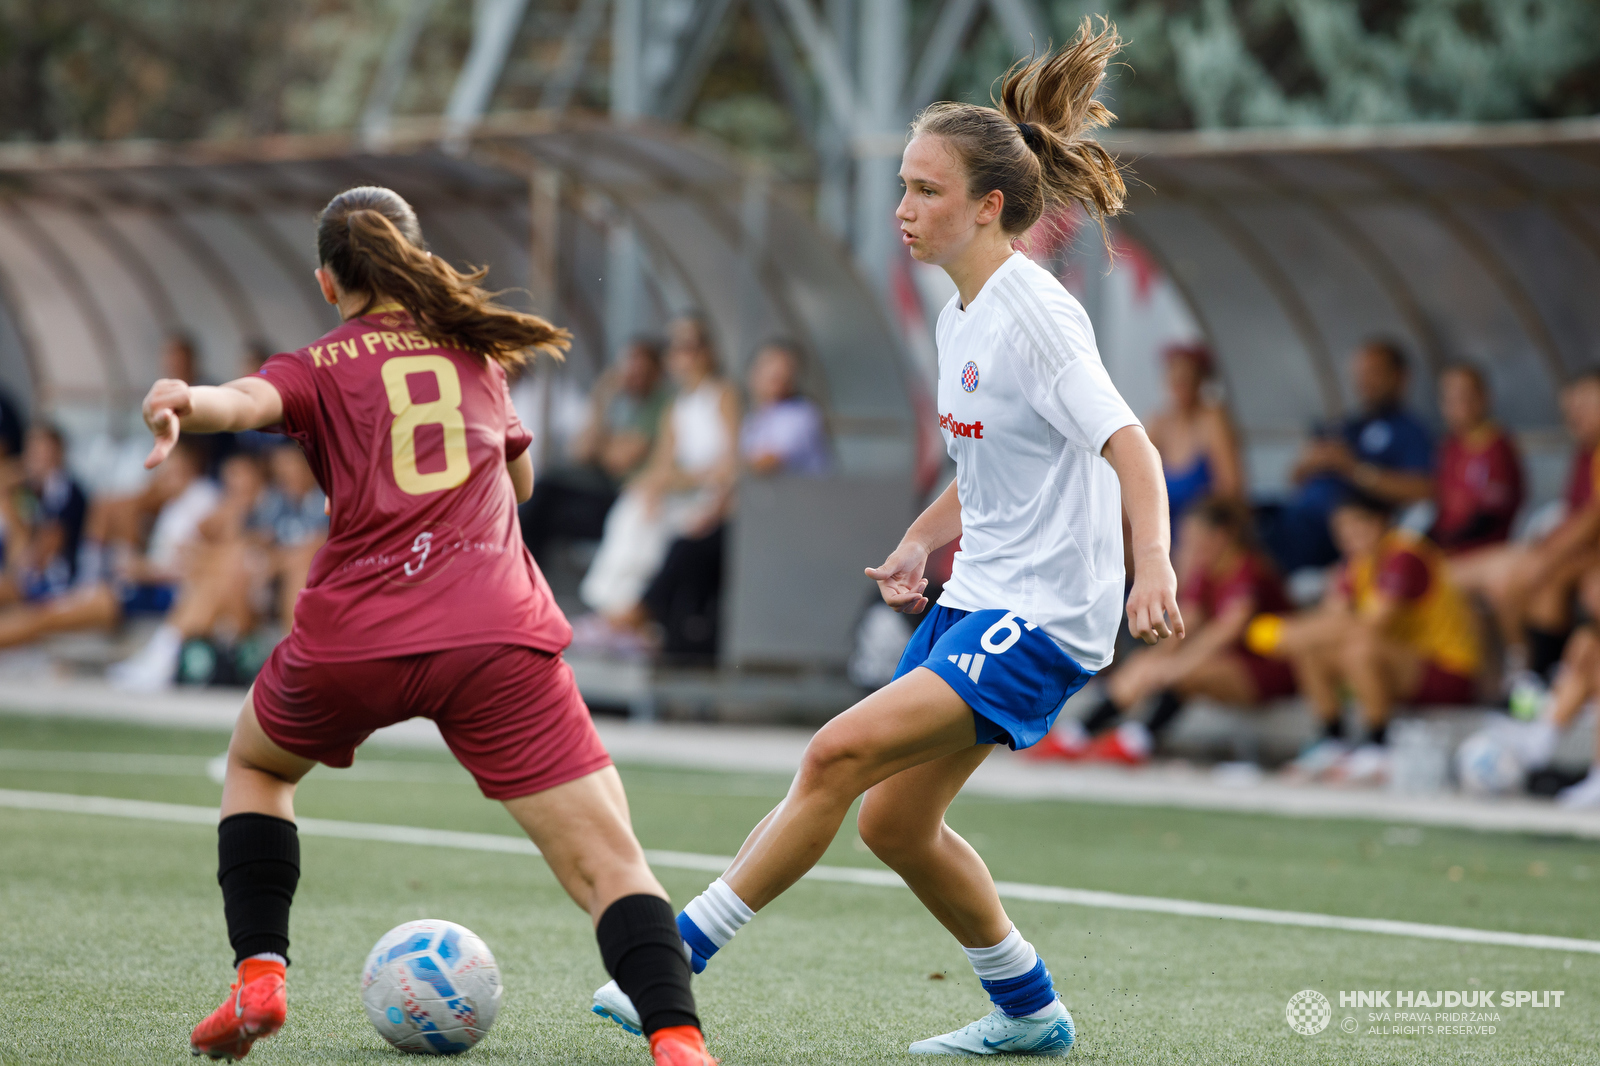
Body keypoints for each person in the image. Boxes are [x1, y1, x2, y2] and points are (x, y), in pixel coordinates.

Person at [588, 22, 1179, 1056]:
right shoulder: (960, 314)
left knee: (835, 752)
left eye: (924, 191)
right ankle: (1031, 1012)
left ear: (989, 206)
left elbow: (1129, 446)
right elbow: (986, 460)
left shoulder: (1037, 317)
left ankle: (671, 964)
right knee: (891, 823)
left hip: (1045, 614)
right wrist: (919, 539)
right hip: (980, 595)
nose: (901, 209)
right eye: (902, 186)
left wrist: (1154, 567)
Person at [142, 186, 714, 1065]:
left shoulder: (318, 363)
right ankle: (678, 1043)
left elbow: (245, 402)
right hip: (493, 638)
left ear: (328, 284)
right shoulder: (475, 356)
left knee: (258, 765)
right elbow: (517, 490)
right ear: (415, 259)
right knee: (610, 864)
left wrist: (188, 400)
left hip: (351, 638)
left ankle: (260, 976)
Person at [1032, 496, 1293, 764]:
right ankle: (1077, 735)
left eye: (1196, 538)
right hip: (1228, 661)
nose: (1190, 546)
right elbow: (1185, 623)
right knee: (1146, 664)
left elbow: (1227, 630)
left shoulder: (1250, 569)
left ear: (1221, 535)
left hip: (1269, 666)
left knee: (1189, 670)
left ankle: (1136, 741)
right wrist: (1156, 661)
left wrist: (1176, 665)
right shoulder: (1207, 571)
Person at [1249, 491, 1481, 785]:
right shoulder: (1357, 563)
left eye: (1358, 526)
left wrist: (1288, 633)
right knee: (1311, 649)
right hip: (1404, 664)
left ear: (1382, 523)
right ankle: (1332, 740)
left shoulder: (1404, 554)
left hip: (1449, 668)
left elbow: (1372, 625)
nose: (1349, 536)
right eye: (1342, 529)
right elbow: (1333, 616)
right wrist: (1300, 636)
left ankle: (1378, 746)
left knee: (1359, 646)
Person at [641, 340, 832, 661]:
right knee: (689, 545)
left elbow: (762, 465)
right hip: (756, 522)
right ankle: (672, 638)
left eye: (783, 372)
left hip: (788, 529)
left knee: (689, 549)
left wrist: (718, 477)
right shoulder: (758, 419)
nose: (776, 378)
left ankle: (645, 617)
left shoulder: (800, 416)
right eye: (769, 370)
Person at [574, 315, 740, 652]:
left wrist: (670, 482)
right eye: (676, 349)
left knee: (649, 526)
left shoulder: (722, 396)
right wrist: (649, 486)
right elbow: (664, 462)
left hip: (711, 498)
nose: (683, 357)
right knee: (632, 510)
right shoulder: (676, 406)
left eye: (690, 347)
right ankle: (615, 612)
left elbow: (730, 462)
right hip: (684, 493)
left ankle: (631, 616)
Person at [1450, 370, 1600, 679]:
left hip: (1582, 556)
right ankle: (1533, 677)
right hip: (1570, 553)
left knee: (1528, 581)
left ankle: (1529, 673)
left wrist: (1547, 559)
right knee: (1541, 585)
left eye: (1585, 405)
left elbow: (1592, 519)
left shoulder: (1497, 445)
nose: (1574, 415)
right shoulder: (1586, 453)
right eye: (1570, 407)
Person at [0, 437, 218, 649]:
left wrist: (145, 569)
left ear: (186, 462)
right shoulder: (172, 502)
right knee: (41, 613)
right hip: (138, 586)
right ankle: (88, 580)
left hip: (160, 594)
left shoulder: (204, 498)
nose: (158, 467)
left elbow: (204, 565)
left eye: (166, 458)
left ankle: (87, 581)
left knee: (45, 617)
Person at [1259, 339, 1433, 573]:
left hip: (1339, 539)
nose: (1365, 382)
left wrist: (1353, 469)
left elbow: (1423, 489)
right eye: (1359, 374)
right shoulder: (1346, 425)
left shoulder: (1410, 431)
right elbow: (1293, 478)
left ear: (1399, 376)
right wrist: (1311, 461)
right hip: (1292, 523)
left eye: (1374, 373)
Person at [520, 336, 671, 565]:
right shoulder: (625, 405)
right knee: (541, 498)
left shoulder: (659, 405)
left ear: (656, 372)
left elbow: (618, 460)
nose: (632, 377)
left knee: (543, 503)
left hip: (620, 497)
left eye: (640, 370)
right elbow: (580, 452)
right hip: (603, 490)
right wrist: (603, 394)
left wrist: (603, 445)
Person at [1144, 343, 1243, 526]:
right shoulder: (1159, 423)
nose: (1180, 385)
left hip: (1204, 531)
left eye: (1186, 378)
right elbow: (1135, 475)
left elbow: (1231, 491)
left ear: (1200, 380)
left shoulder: (1212, 419)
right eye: (1175, 378)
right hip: (1166, 530)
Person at [1430, 363, 1523, 554]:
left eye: (1465, 395)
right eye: (1449, 398)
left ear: (1484, 397)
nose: (1457, 404)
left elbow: (1490, 517)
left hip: (1482, 550)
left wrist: (1443, 545)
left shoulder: (1498, 446)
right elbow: (1442, 507)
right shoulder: (1448, 446)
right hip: (1448, 547)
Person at [0, 424, 88, 607]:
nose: (34, 459)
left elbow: (44, 552)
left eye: (41, 451)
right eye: (31, 451)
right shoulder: (28, 491)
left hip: (56, 581)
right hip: (23, 571)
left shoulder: (65, 489)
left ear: (58, 454)